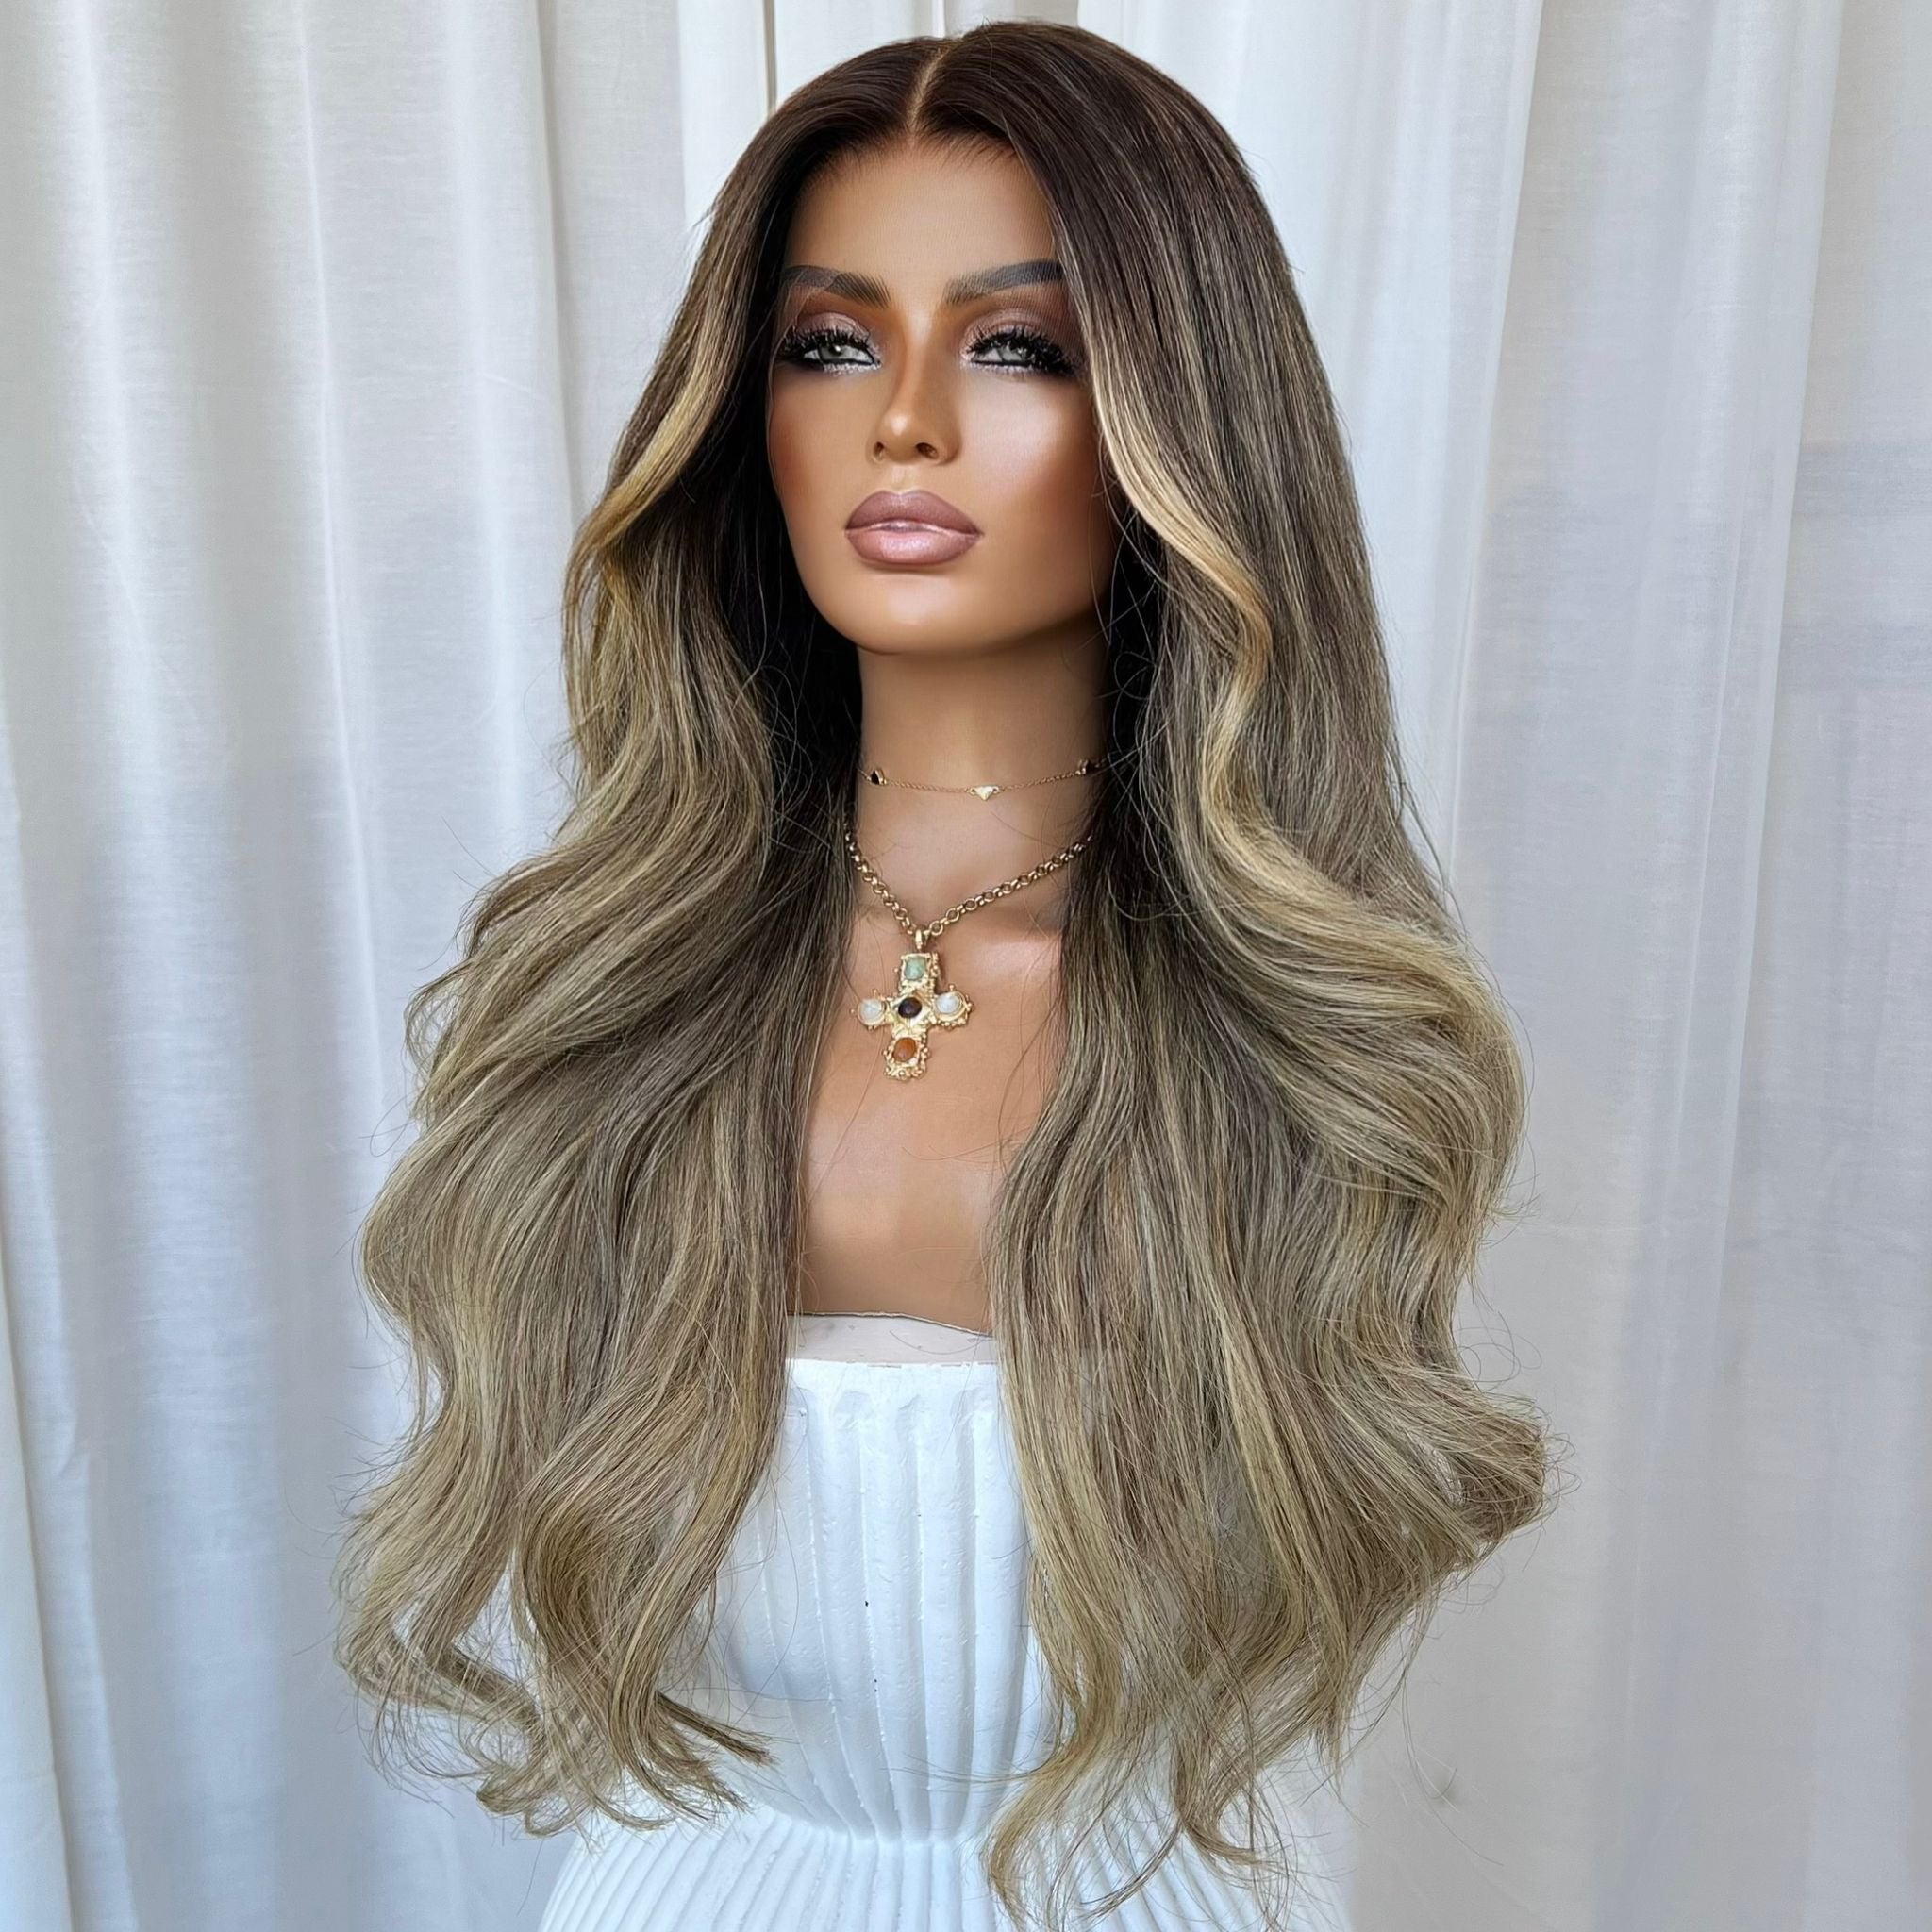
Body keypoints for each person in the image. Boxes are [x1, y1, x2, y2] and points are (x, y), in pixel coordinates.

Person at [334, 21, 1555, 1930]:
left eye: (1016, 346)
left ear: (1177, 415)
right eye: (831, 344)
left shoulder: (1294, 1032)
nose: (903, 420)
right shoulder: (619, 988)